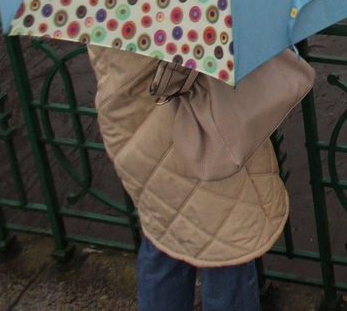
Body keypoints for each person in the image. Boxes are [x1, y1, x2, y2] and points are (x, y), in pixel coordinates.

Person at [90, 44, 288, 311]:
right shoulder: (196, 11)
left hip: (132, 129)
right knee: (225, 247)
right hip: (199, 133)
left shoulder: (97, 8)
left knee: (166, 236)